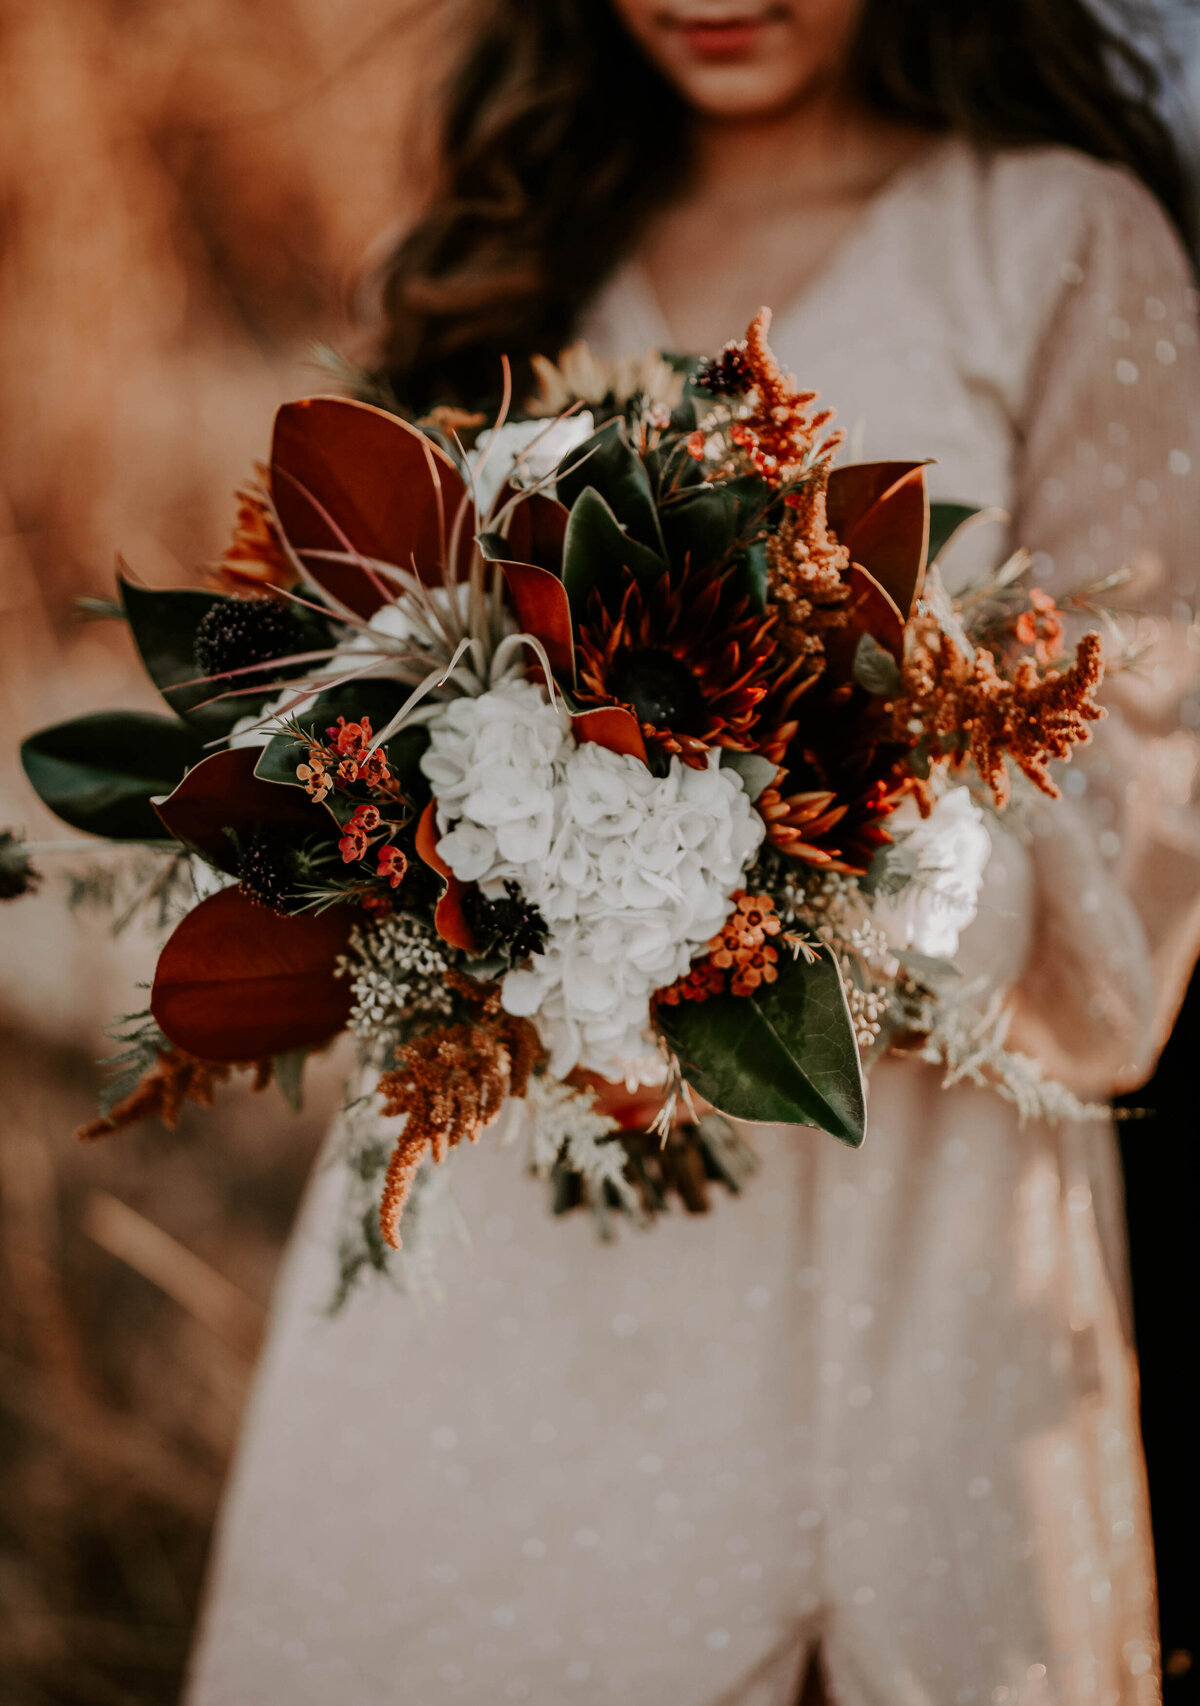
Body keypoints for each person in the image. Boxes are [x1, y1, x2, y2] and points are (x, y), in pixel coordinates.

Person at [186, 3, 1200, 1701]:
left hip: (892, 1254)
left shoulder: (1057, 239)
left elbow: (1135, 893)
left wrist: (826, 817)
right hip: (509, 1245)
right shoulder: (518, 247)